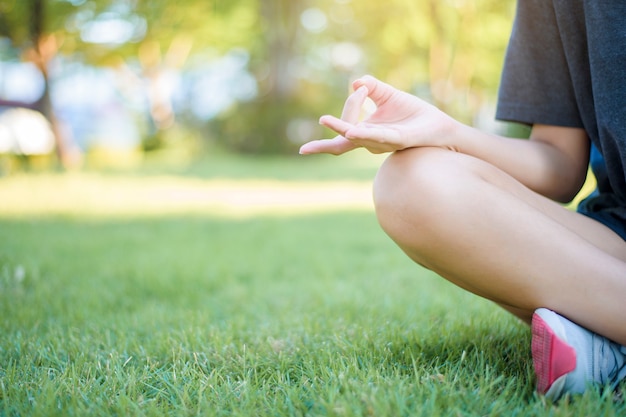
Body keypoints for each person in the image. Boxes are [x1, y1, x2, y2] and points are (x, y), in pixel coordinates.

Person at [299, 0, 626, 401]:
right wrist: (447, 130)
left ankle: (604, 334)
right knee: (411, 182)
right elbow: (558, 164)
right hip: (617, 240)